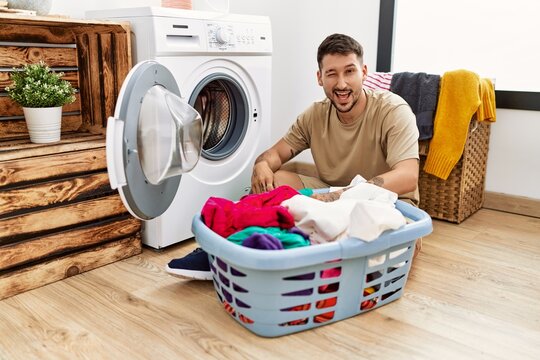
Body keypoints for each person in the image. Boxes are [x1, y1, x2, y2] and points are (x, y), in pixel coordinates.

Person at [166, 33, 420, 280]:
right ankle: (229, 248)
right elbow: (274, 154)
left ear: (364, 72)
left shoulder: (393, 110)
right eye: (332, 73)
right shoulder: (315, 115)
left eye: (349, 71)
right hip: (332, 192)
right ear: (320, 78)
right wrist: (262, 165)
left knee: (383, 245)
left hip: (389, 201)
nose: (341, 83)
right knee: (275, 182)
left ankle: (276, 259)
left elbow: (408, 177)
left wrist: (346, 194)